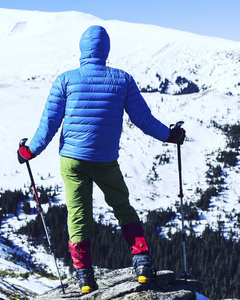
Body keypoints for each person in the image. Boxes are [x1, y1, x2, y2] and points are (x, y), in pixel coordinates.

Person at [17, 25, 185, 294]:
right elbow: (143, 120)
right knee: (122, 207)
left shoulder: (66, 80)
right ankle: (142, 264)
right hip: (105, 159)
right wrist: (170, 135)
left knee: (78, 215)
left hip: (71, 160)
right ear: (106, 50)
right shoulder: (122, 80)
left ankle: (84, 276)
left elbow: (49, 123)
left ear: (82, 50)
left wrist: (30, 151)